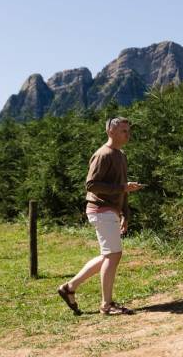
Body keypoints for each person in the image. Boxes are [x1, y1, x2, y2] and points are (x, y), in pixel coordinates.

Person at [58, 116, 143, 316]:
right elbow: (91, 185)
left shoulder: (120, 155)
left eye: (129, 131)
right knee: (113, 255)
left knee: (108, 255)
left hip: (110, 210)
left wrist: (125, 212)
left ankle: (69, 288)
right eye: (123, 131)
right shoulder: (103, 155)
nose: (128, 134)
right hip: (100, 210)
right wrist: (122, 188)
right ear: (110, 132)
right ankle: (107, 305)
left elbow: (121, 187)